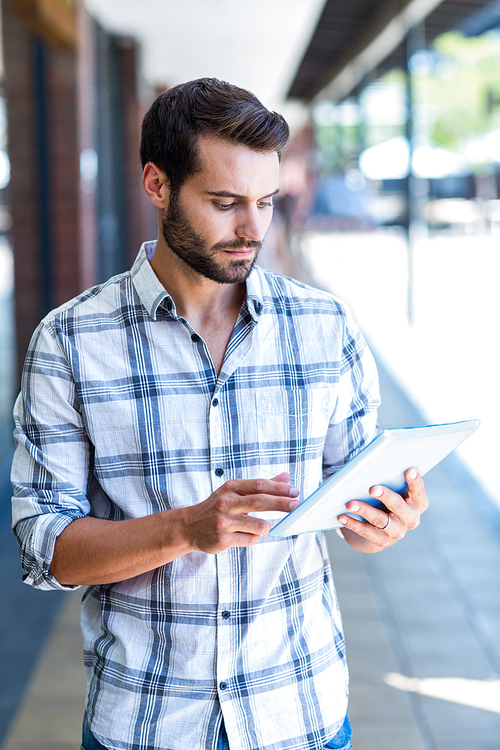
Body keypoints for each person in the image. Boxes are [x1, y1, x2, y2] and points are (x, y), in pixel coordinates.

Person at [11, 78, 428, 750]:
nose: (252, 228)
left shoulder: (325, 326)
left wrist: (382, 521)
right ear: (157, 185)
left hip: (301, 713)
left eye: (266, 201)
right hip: (144, 725)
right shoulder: (69, 342)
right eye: (225, 202)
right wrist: (184, 529)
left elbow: (353, 497)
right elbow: (44, 550)